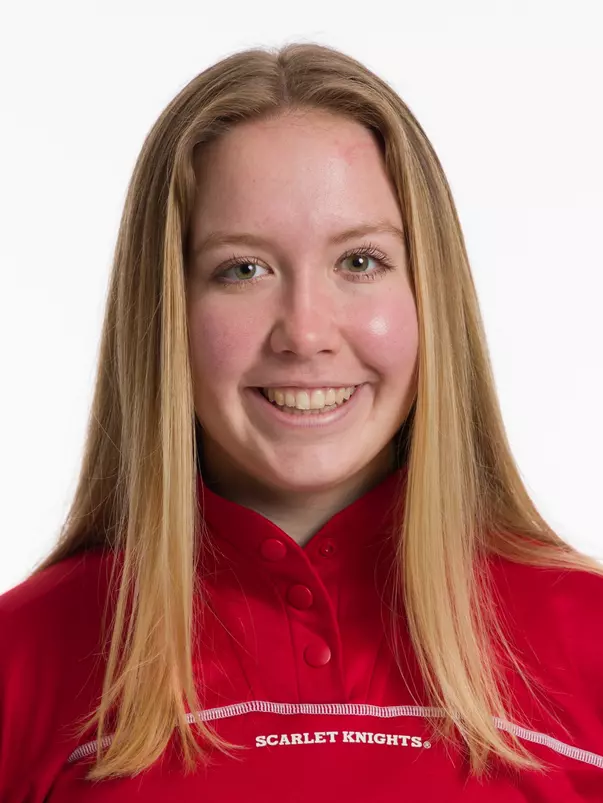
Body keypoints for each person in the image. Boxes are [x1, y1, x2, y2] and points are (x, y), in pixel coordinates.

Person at [1, 41, 602, 802]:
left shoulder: (591, 642)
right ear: (167, 312)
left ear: (428, 295)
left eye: (359, 261)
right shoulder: (21, 660)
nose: (305, 331)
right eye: (242, 269)